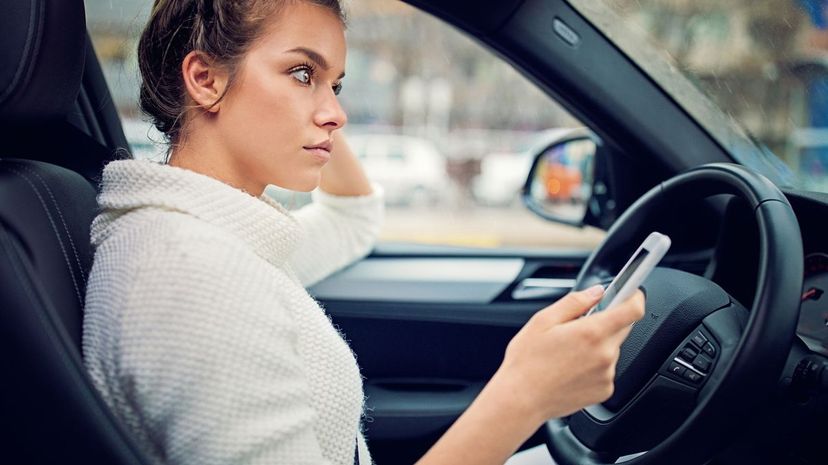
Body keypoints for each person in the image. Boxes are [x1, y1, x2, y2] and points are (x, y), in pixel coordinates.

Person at [82, 1, 646, 464]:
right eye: (301, 72)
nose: (337, 113)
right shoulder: (193, 276)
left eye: (338, 85)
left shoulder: (219, 237)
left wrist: (309, 101)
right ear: (204, 78)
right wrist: (523, 396)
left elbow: (352, 218)